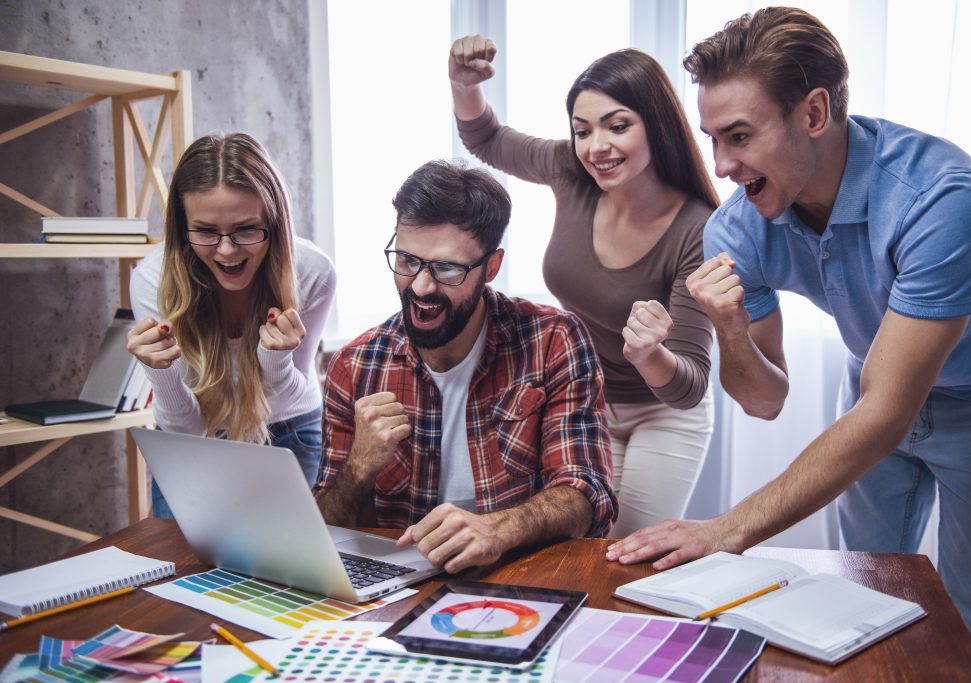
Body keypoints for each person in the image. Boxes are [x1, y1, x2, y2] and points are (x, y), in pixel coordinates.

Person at [604, 7, 971, 680]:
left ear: (815, 113)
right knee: (863, 606)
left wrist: (730, 527)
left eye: (739, 135)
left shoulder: (943, 199)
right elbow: (766, 399)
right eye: (713, 138)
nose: (723, 165)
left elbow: (886, 413)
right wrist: (732, 331)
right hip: (872, 381)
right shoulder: (738, 228)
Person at [448, 36, 719, 537]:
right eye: (582, 130)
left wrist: (647, 353)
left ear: (655, 125)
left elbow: (689, 386)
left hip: (663, 413)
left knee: (626, 554)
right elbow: (487, 139)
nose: (597, 147)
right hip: (585, 399)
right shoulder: (571, 172)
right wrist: (464, 85)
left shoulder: (698, 228)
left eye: (618, 126)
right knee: (578, 545)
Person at [314, 159, 617, 574]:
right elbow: (326, 532)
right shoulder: (356, 365)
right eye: (406, 260)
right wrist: (358, 469)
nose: (421, 287)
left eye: (446, 269)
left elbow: (588, 494)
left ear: (491, 267)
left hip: (519, 574)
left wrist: (498, 530)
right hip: (398, 589)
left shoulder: (553, 340)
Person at [129, 133, 337, 517]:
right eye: (206, 231)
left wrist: (275, 361)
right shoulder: (152, 280)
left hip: (287, 429)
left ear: (273, 222)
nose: (226, 251)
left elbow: (290, 396)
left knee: (294, 568)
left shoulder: (313, 272)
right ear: (181, 227)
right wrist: (160, 374)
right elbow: (184, 429)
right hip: (188, 440)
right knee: (180, 567)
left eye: (246, 229)